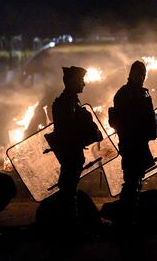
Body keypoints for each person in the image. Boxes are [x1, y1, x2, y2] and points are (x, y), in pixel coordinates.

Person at [110, 61, 157, 224]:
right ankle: (127, 219)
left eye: (143, 74)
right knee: (133, 182)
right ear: (133, 74)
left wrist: (155, 120)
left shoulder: (130, 93)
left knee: (135, 180)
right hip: (133, 143)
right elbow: (136, 119)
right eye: (140, 74)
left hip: (133, 143)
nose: (142, 77)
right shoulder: (133, 94)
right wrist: (153, 121)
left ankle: (129, 217)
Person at [52, 66, 102, 223]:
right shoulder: (67, 104)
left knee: (69, 189)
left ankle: (69, 226)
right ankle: (69, 228)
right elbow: (69, 131)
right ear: (72, 82)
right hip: (70, 153)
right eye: (81, 80)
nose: (84, 84)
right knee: (68, 190)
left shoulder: (70, 102)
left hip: (71, 152)